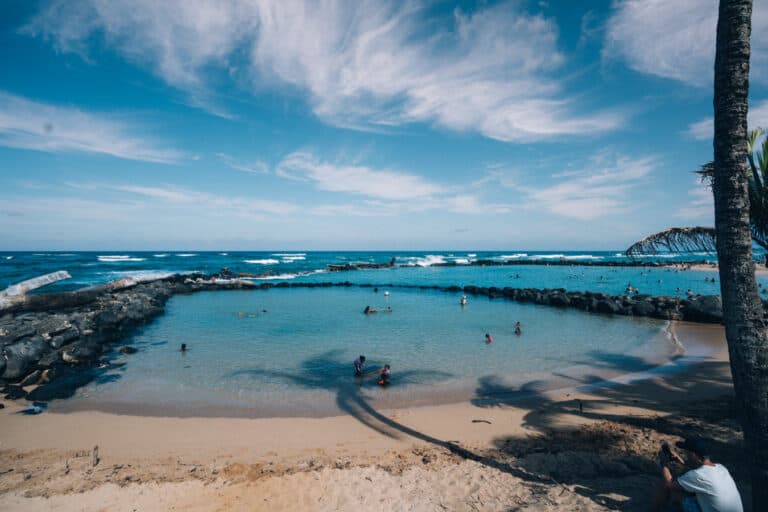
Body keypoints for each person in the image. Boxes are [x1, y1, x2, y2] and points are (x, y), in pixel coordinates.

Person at [652, 437, 743, 512]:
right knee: (687, 489)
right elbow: (698, 475)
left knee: (671, 488)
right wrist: (680, 461)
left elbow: (669, 484)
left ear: (693, 454)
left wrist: (664, 463)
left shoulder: (698, 475)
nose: (685, 454)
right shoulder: (721, 468)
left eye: (686, 452)